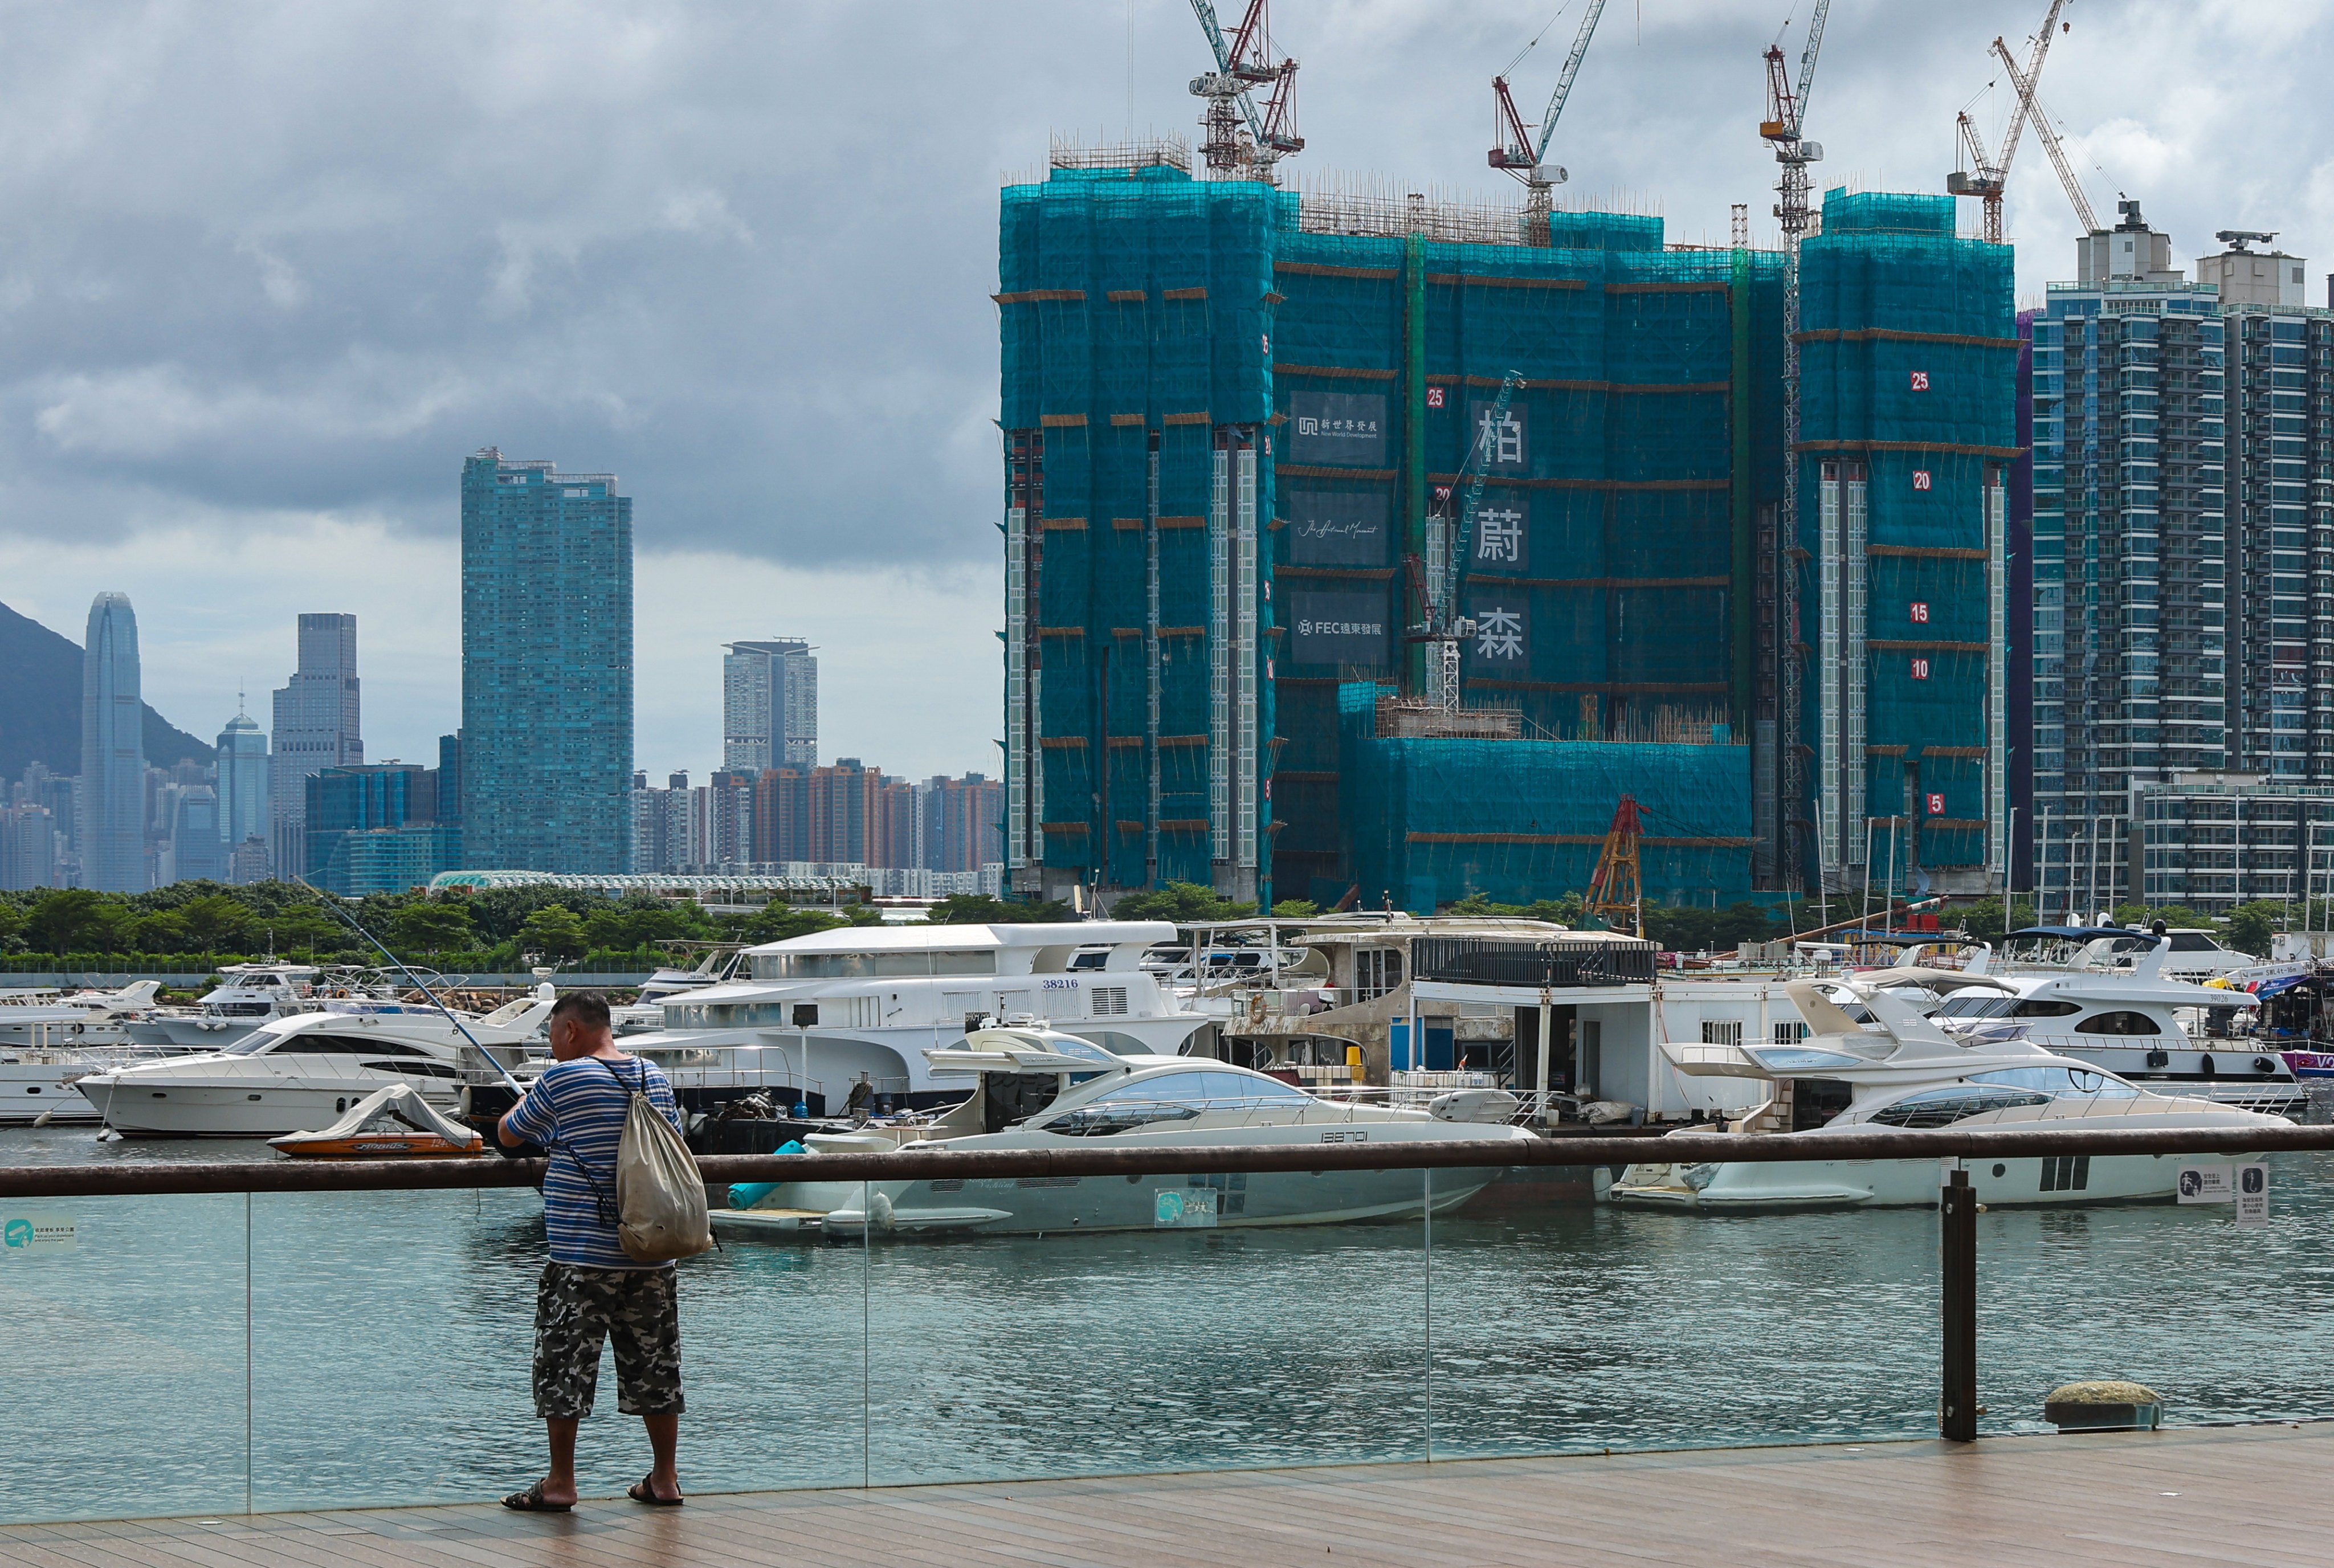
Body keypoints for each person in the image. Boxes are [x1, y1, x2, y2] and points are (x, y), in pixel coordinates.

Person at [496, 991, 687, 1512]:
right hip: (652, 1250)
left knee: (564, 1367)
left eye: (552, 1034)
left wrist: (526, 1099)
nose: (553, 1045)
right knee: (655, 1363)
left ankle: (560, 1483)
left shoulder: (561, 1079)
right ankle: (665, 1479)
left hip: (583, 1253)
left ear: (572, 1031)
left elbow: (510, 1135)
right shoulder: (653, 1076)